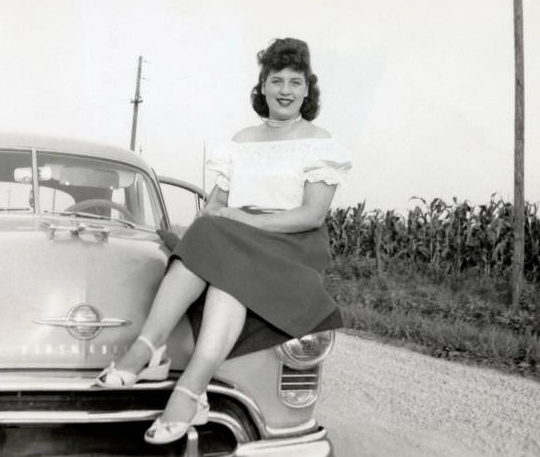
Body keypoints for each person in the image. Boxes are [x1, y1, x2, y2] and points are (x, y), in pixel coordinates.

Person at [95, 37, 352, 445]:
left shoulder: (321, 142)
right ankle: (189, 388)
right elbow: (215, 207)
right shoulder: (242, 141)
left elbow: (312, 215)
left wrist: (239, 221)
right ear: (262, 86)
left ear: (308, 89)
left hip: (291, 243)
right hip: (237, 241)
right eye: (276, 80)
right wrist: (218, 221)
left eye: (295, 82)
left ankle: (145, 352)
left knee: (219, 241)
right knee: (215, 253)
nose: (285, 90)